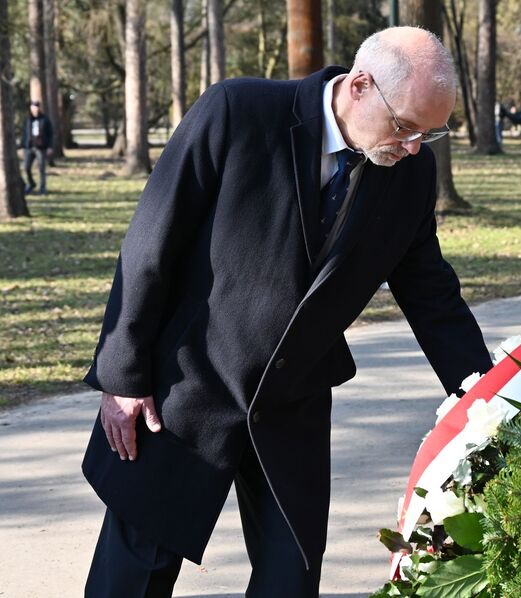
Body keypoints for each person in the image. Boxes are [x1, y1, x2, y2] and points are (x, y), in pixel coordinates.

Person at [82, 27, 493, 597]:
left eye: (432, 132)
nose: (415, 145)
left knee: (290, 579)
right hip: (183, 388)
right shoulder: (239, 112)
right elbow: (152, 241)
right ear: (360, 85)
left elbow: (432, 297)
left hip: (292, 400)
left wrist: (488, 404)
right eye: (405, 126)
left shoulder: (409, 174)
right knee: (133, 574)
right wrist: (122, 377)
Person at [21, 100, 54, 195]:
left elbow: (50, 134)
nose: (35, 109)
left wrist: (50, 147)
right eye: (33, 107)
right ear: (31, 108)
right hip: (29, 147)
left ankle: (43, 188)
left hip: (41, 147)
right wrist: (22, 146)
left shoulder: (45, 119)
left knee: (41, 169)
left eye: (37, 107)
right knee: (26, 168)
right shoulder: (27, 120)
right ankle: (31, 184)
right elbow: (24, 134)